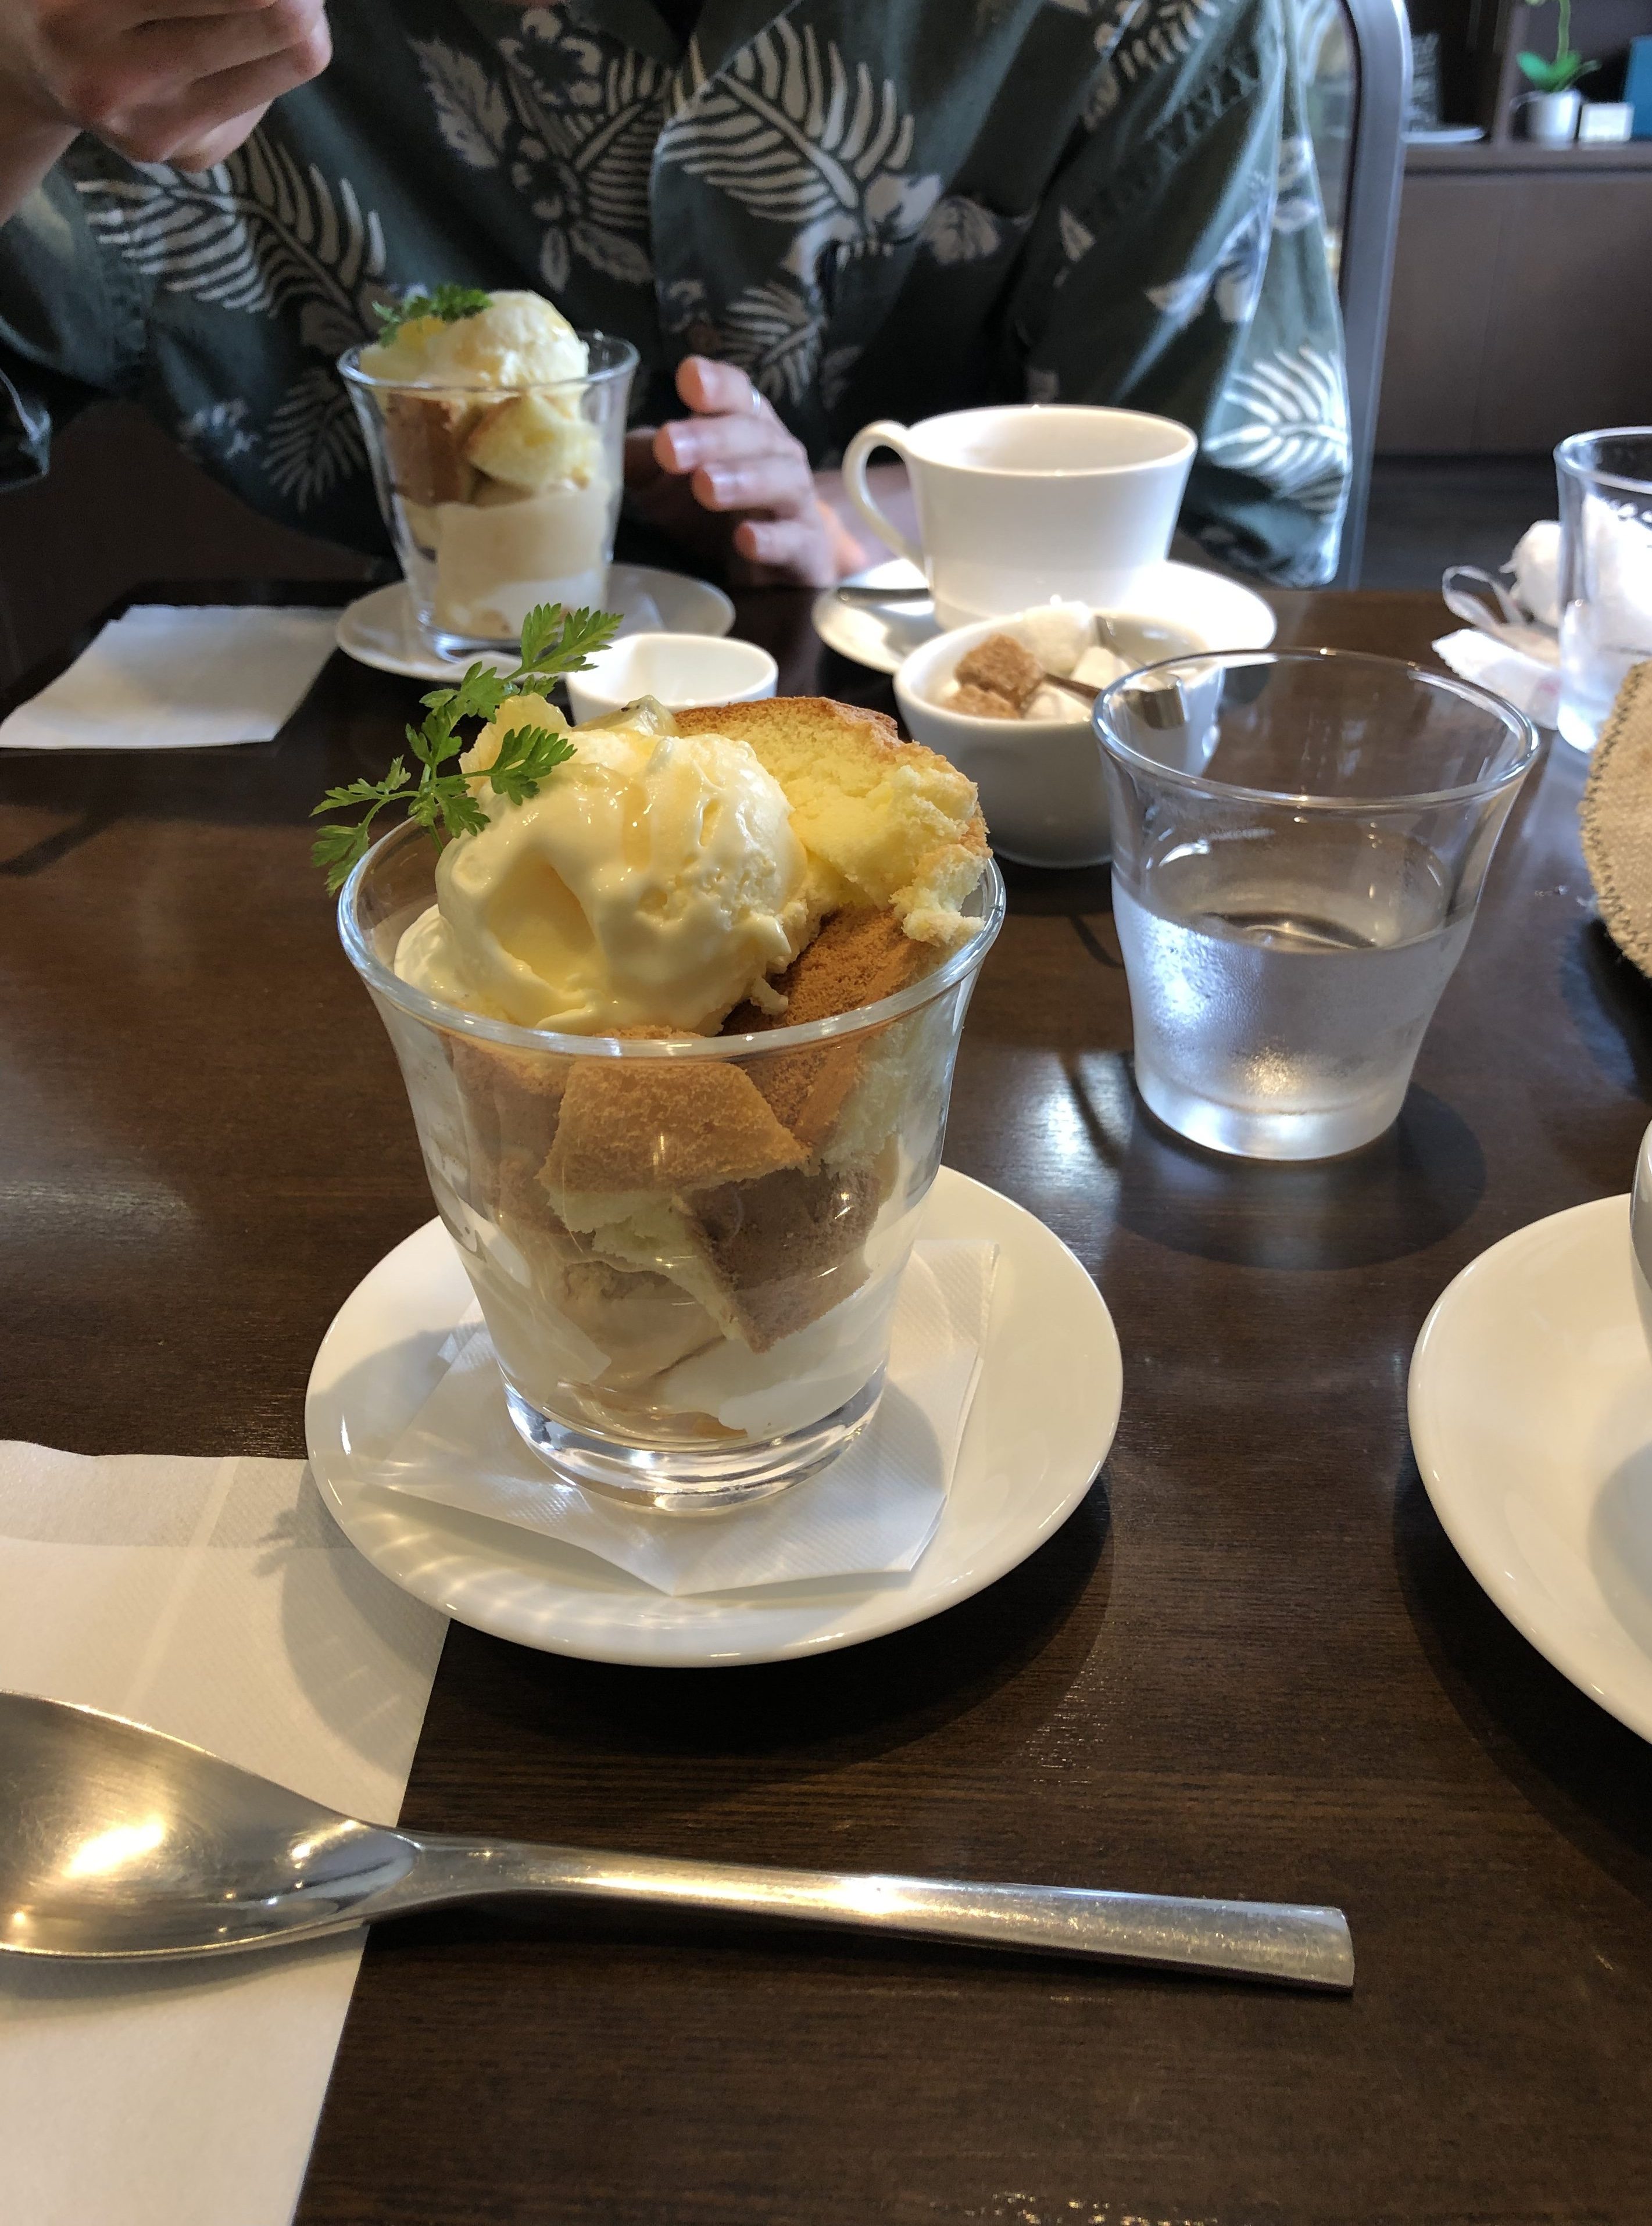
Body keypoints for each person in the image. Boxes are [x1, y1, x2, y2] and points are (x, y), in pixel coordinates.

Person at [0, 0, 1350, 589]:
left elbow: (1230, 540)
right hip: (368, 809)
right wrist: (12, 91)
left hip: (979, 816)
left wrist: (868, 520)